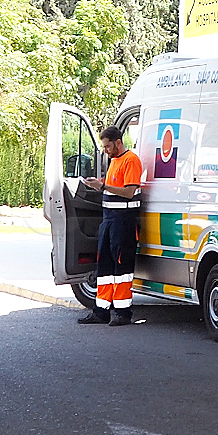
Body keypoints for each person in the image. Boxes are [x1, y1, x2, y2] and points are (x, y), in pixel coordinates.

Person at [80, 125, 143, 326]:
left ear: (118, 142)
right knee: (105, 266)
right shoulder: (115, 160)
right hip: (109, 220)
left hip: (123, 221)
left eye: (107, 146)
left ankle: (123, 312)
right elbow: (115, 186)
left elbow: (129, 192)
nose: (105, 150)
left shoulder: (131, 160)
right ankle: (101, 311)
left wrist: (103, 186)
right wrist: (98, 183)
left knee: (122, 267)